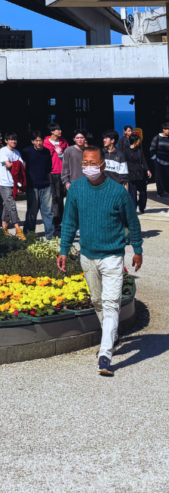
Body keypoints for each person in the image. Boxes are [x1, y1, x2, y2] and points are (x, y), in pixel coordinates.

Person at [58, 145, 143, 376]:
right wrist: (64, 249)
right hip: (87, 256)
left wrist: (137, 249)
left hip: (112, 256)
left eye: (93, 163)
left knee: (111, 302)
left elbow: (132, 223)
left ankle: (105, 354)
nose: (89, 167)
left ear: (103, 165)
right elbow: (69, 221)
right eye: (85, 163)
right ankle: (111, 335)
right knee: (97, 300)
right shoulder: (76, 189)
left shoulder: (118, 192)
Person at [21, 131, 54, 237]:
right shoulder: (26, 152)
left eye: (40, 140)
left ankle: (50, 235)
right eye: (36, 141)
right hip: (32, 185)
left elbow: (49, 167)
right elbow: (22, 168)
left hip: (46, 185)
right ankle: (29, 234)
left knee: (48, 211)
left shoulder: (47, 151)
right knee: (32, 211)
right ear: (32, 141)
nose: (39, 143)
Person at [0, 132, 25, 239]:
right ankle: (18, 228)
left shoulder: (17, 152)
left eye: (15, 139)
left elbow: (22, 165)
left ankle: (4, 229)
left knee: (7, 206)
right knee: (11, 205)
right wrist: (17, 164)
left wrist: (16, 164)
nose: (14, 141)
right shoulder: (3, 151)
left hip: (13, 183)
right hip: (4, 182)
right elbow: (9, 165)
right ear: (6, 141)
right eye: (11, 139)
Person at [43, 124, 68, 233]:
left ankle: (59, 221)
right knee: (51, 198)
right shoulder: (45, 143)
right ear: (52, 131)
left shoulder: (64, 142)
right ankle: (53, 222)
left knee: (59, 197)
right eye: (58, 129)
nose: (60, 131)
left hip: (60, 172)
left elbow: (67, 156)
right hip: (49, 173)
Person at [122, 130, 150, 213]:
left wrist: (147, 170)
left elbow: (144, 161)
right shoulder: (126, 151)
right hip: (131, 174)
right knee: (133, 193)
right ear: (134, 141)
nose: (139, 142)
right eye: (138, 140)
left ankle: (142, 206)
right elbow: (123, 163)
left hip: (140, 173)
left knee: (143, 192)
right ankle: (133, 209)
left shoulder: (140, 151)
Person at [149, 122, 169, 197]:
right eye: (167, 129)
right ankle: (160, 192)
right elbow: (152, 148)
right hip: (159, 160)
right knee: (159, 177)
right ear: (164, 129)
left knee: (167, 176)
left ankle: (166, 190)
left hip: (167, 160)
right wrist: (155, 158)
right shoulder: (157, 138)